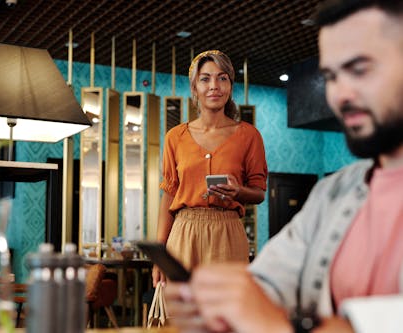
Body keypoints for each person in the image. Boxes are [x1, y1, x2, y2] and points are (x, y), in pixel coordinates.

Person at [165, 0, 403, 332]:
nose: (340, 94)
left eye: (360, 69)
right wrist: (217, 302)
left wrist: (276, 323)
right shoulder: (332, 193)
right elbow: (266, 281)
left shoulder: (248, 135)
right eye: (331, 76)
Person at [153, 50, 268, 287]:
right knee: (181, 317)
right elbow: (169, 195)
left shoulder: (249, 136)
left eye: (222, 78)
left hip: (228, 233)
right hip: (183, 234)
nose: (214, 85)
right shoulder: (175, 137)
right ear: (194, 88)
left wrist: (240, 192)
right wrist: (159, 257)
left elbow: (259, 192)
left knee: (227, 315)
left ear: (230, 86)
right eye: (205, 79)